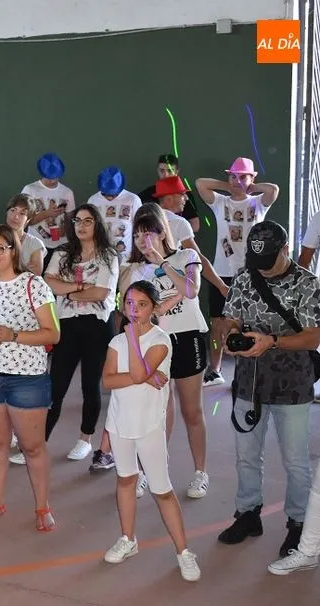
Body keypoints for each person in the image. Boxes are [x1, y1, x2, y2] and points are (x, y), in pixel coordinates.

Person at [217, 221, 319, 559]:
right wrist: (233, 334)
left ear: (285, 250)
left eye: (269, 260)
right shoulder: (245, 277)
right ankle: (248, 513)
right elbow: (231, 317)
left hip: (293, 384)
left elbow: (313, 337)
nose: (261, 267)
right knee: (246, 455)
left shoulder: (307, 283)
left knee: (296, 461)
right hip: (250, 381)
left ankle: (298, 523)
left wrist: (272, 341)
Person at [101, 281, 201, 582]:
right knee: (125, 479)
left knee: (161, 489)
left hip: (149, 425)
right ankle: (128, 538)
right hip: (120, 423)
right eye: (129, 303)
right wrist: (146, 376)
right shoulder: (116, 342)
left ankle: (184, 551)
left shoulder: (161, 339)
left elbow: (134, 372)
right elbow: (109, 381)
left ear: (154, 308)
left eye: (142, 304)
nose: (134, 310)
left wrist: (135, 348)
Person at [119, 204, 210, 499]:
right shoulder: (136, 270)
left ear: (161, 232)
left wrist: (163, 264)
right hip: (156, 343)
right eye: (137, 235)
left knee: (191, 410)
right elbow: (129, 309)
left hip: (188, 338)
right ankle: (151, 471)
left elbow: (191, 290)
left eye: (148, 233)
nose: (142, 241)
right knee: (159, 411)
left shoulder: (187, 256)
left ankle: (200, 472)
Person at [0, 225, 60, 531]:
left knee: (32, 447)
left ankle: (42, 506)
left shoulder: (34, 284)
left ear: (14, 250)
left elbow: (53, 334)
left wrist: (14, 335)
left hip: (27, 379)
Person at [43, 205, 119, 465]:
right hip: (67, 324)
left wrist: (67, 290)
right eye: (77, 221)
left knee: (90, 385)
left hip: (98, 326)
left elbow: (100, 293)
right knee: (56, 386)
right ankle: (39, 442)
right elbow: (48, 283)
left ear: (97, 224)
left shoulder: (109, 255)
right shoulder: (62, 253)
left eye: (88, 221)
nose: (81, 226)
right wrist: (78, 286)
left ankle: (85, 439)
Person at [196, 157, 280, 386]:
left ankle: (246, 373)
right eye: (233, 176)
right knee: (217, 323)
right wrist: (229, 186)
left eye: (242, 176)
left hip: (251, 273)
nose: (236, 180)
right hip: (221, 273)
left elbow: (273, 190)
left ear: (252, 178)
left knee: (249, 322)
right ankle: (214, 370)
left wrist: (249, 187)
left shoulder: (258, 203)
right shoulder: (220, 202)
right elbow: (200, 183)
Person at [23, 152, 75, 268]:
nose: (52, 181)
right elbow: (25, 221)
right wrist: (46, 214)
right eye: (49, 178)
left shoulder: (67, 192)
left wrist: (64, 229)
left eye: (55, 177)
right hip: (36, 246)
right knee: (36, 275)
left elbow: (71, 219)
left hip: (62, 245)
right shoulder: (30, 190)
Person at [137, 154, 201, 232]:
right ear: (157, 170)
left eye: (170, 170)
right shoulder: (147, 194)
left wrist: (176, 234)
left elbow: (195, 225)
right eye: (162, 171)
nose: (166, 175)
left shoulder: (185, 194)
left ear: (177, 171)